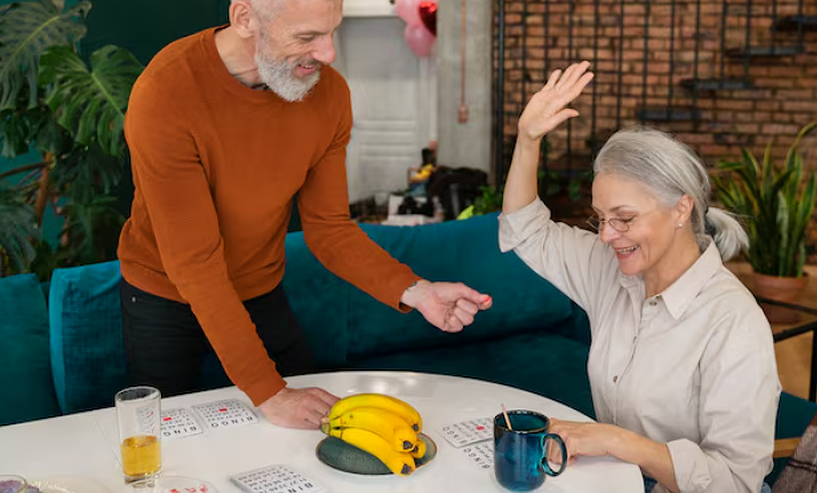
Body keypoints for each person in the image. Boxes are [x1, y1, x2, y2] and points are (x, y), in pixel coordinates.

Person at [117, 0, 492, 430]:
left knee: (314, 426)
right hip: (163, 297)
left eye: (332, 31)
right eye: (306, 37)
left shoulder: (327, 93)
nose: (329, 54)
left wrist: (418, 291)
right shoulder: (167, 92)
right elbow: (195, 263)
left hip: (259, 288)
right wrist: (270, 393)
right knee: (167, 440)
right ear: (245, 19)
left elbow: (330, 230)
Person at [499, 61, 780, 493]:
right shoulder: (611, 270)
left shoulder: (733, 322)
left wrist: (616, 442)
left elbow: (737, 482)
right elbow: (527, 229)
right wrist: (528, 139)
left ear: (681, 210)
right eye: (601, 219)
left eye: (625, 219)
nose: (608, 235)